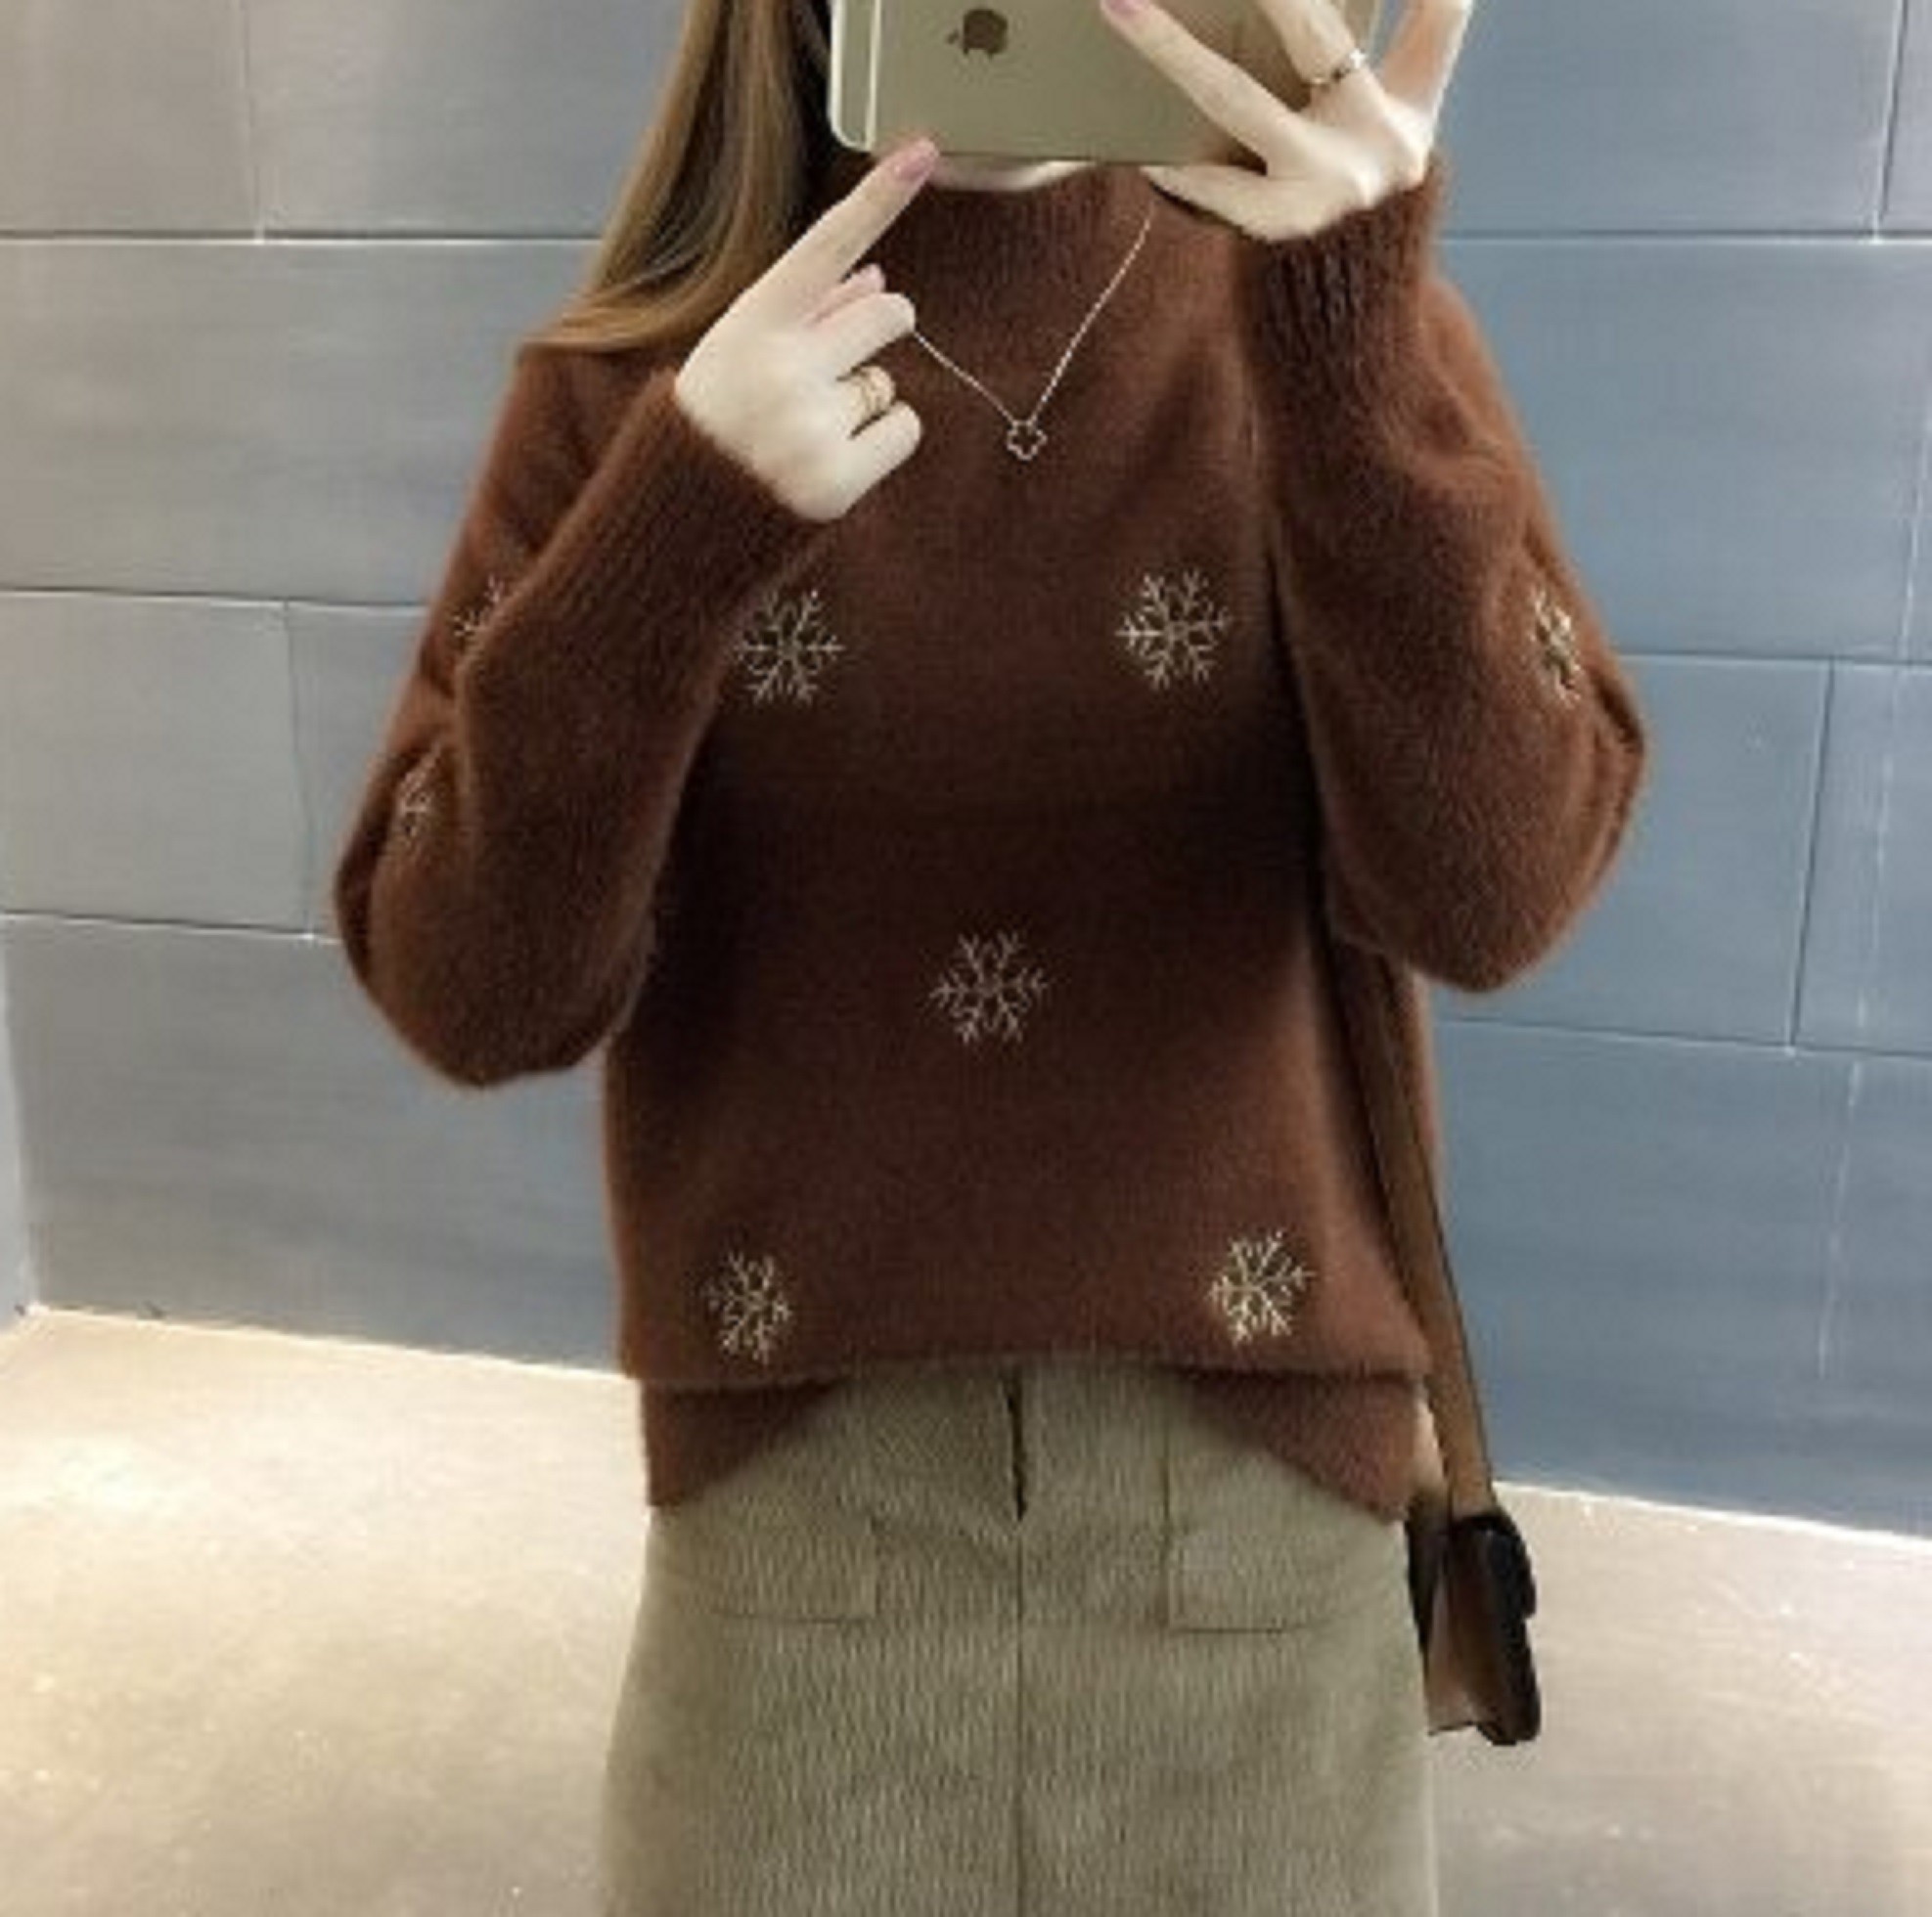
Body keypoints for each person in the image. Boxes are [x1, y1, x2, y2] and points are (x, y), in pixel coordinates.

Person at [330, 0, 1648, 1910]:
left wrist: (1355, 353)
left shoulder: (1325, 325)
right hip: (795, 1528)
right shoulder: (640, 400)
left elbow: (1492, 896)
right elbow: (471, 990)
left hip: (1260, 1507)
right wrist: (674, 530)